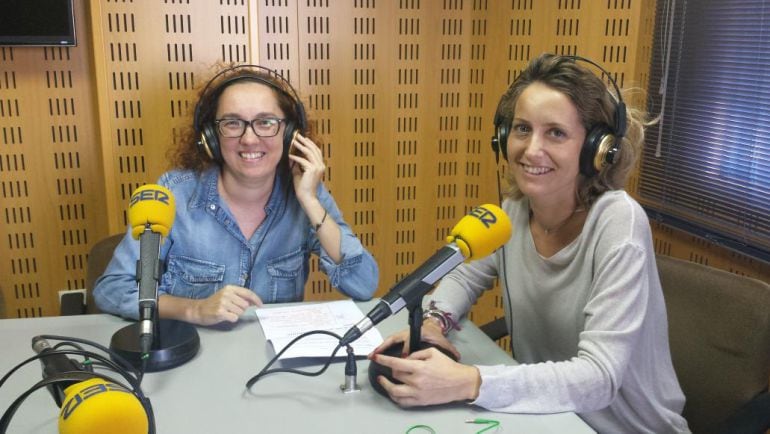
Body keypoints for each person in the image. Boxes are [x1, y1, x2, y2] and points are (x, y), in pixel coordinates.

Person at [370, 53, 690, 433]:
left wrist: (470, 381)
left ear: (597, 150)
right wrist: (435, 324)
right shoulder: (515, 212)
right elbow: (466, 278)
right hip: (546, 418)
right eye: (522, 129)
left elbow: (599, 377)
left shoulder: (618, 222)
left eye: (555, 133)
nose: (531, 149)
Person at [94, 64, 379, 326]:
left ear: (290, 133)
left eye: (266, 122)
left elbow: (363, 284)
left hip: (272, 365)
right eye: (232, 123)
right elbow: (113, 289)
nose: (249, 139)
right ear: (211, 136)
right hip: (192, 359)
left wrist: (310, 201)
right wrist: (193, 309)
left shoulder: (307, 195)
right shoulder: (174, 193)